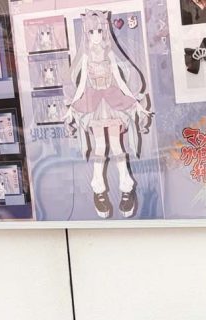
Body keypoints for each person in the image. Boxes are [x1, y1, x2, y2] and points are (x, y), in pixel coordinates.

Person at [65, 9, 152, 219]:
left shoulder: (109, 53)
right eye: (91, 32)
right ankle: (98, 188)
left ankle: (126, 187)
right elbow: (82, 82)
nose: (96, 36)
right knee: (100, 147)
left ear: (104, 31)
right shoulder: (85, 57)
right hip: (95, 102)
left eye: (99, 31)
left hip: (111, 100)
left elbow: (120, 80)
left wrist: (133, 100)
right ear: (86, 33)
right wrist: (73, 104)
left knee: (116, 145)